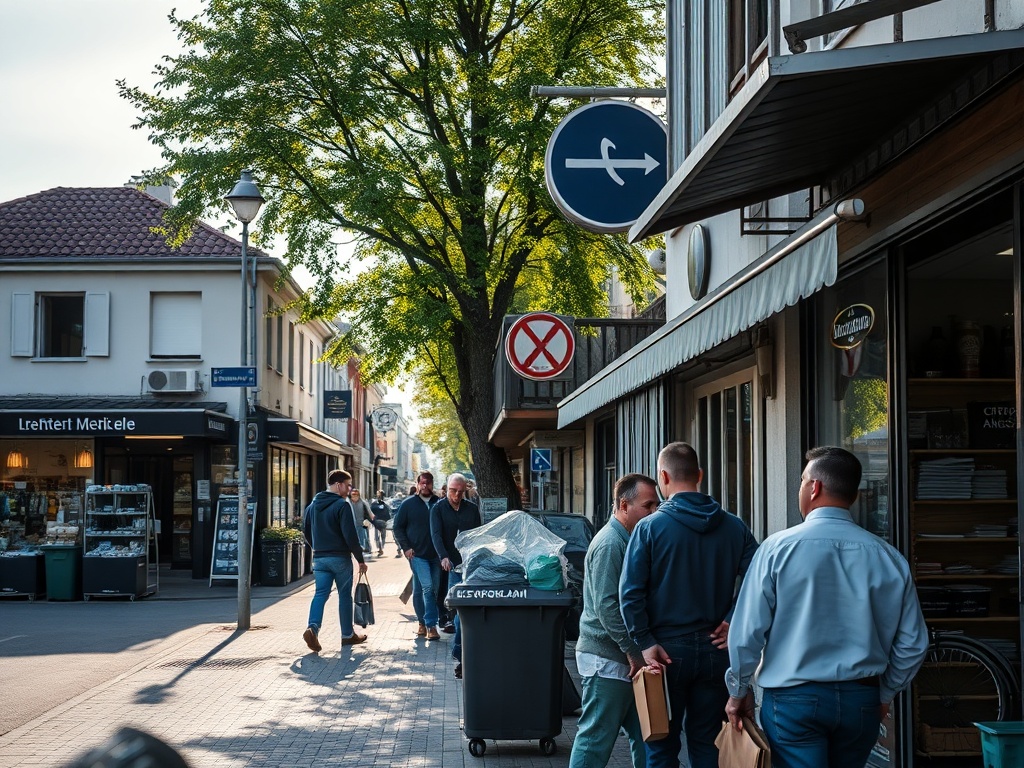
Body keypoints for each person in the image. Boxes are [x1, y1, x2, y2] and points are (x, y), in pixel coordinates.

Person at [724, 447, 929, 768]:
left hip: (793, 700)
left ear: (814, 487)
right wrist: (885, 693)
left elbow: (746, 632)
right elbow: (914, 643)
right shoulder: (888, 557)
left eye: (803, 481)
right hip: (861, 699)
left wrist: (738, 691)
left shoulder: (777, 550)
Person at [619, 442, 759, 768]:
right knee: (708, 744)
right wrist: (733, 617)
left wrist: (645, 642)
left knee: (660, 746)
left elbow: (630, 594)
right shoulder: (734, 527)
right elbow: (761, 581)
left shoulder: (650, 528)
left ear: (663, 476)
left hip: (665, 655)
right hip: (716, 651)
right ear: (699, 475)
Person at [569, 473, 659, 768]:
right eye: (648, 506)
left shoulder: (626, 539)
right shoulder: (610, 543)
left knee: (648, 736)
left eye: (656, 505)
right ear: (624, 505)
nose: (653, 512)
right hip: (609, 659)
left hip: (624, 658)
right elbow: (608, 606)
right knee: (595, 740)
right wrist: (634, 651)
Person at [302, 469, 368, 652]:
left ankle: (312, 628)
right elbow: (350, 536)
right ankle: (347, 635)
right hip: (339, 558)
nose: (349, 489)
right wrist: (360, 560)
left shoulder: (312, 506)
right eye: (348, 485)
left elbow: (306, 530)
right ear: (338, 485)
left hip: (320, 558)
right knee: (345, 596)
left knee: (320, 594)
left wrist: (316, 546)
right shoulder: (342, 505)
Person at [429, 472, 481, 678]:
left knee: (469, 612)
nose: (457, 495)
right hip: (453, 567)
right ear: (446, 489)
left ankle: (466, 657)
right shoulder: (438, 509)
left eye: (460, 492)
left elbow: (478, 535)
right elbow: (436, 535)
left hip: (472, 565)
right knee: (460, 612)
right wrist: (443, 557)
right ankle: (461, 658)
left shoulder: (472, 509)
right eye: (453, 491)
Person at [393, 471, 442, 639]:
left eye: (428, 483)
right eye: (422, 483)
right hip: (417, 555)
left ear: (432, 484)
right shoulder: (408, 504)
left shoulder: (440, 503)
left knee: (426, 590)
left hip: (436, 555)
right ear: (417, 484)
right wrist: (405, 548)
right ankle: (431, 626)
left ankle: (421, 622)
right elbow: (398, 527)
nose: (425, 485)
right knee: (427, 588)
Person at [349, 488, 374, 556]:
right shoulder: (348, 502)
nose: (354, 496)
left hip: (362, 523)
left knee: (363, 537)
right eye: (353, 494)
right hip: (351, 524)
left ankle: (364, 550)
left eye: (356, 494)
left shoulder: (363, 502)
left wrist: (371, 520)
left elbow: (369, 512)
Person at [369, 490, 391, 556]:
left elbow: (388, 512)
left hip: (383, 521)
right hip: (376, 521)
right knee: (377, 537)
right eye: (377, 494)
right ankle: (380, 548)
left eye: (379, 494)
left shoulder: (386, 503)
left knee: (382, 536)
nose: (378, 495)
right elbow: (370, 511)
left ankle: (381, 548)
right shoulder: (374, 503)